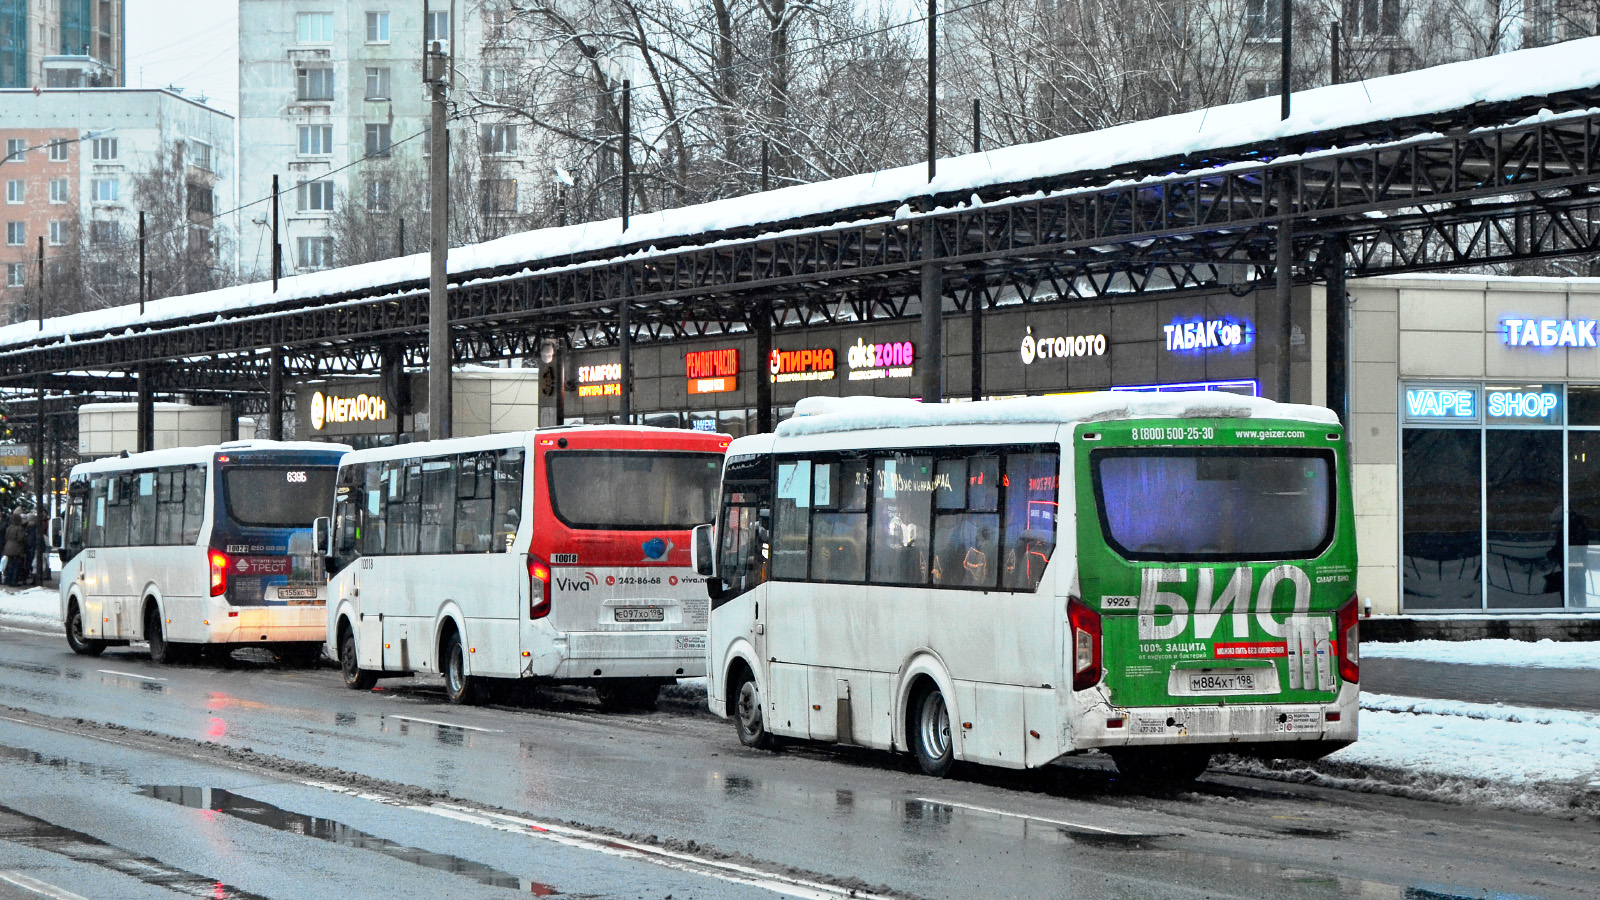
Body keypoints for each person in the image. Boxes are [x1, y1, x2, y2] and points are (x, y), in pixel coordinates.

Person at [2, 513, 26, 587]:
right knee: (16, 565)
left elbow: (6, 536)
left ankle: (9, 580)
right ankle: (14, 581)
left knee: (10, 565)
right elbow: (20, 538)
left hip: (8, 548)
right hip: (16, 548)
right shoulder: (19, 528)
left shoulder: (9, 527)